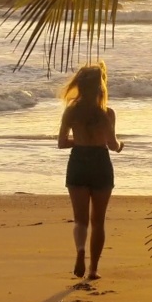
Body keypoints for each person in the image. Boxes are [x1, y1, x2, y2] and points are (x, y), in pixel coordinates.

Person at [57, 62, 123, 280]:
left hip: (78, 163)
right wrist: (120, 145)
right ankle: (93, 269)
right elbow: (112, 145)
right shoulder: (107, 114)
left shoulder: (71, 112)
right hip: (100, 164)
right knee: (99, 221)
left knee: (80, 220)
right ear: (100, 87)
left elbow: (62, 143)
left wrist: (81, 140)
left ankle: (80, 251)